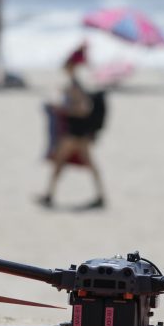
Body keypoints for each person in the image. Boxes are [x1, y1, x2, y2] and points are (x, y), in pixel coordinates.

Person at [37, 42, 106, 210]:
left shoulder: (76, 85)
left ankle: (49, 195)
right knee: (86, 164)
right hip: (79, 131)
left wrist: (62, 109)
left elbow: (83, 108)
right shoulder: (78, 83)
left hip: (75, 131)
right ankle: (100, 196)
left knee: (60, 162)